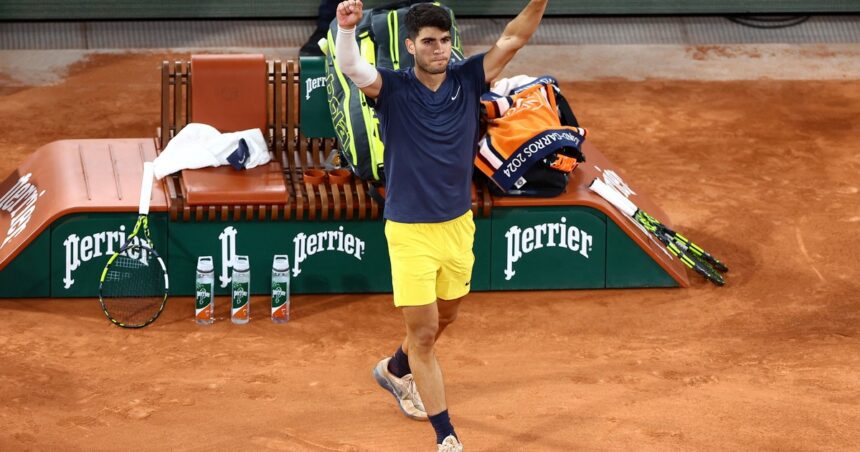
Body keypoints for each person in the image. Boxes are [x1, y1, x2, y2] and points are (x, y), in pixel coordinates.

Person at [334, 1, 548, 450]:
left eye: (445, 40)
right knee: (425, 335)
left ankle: (394, 369)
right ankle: (445, 436)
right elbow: (351, 65)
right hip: (409, 231)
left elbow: (515, 37)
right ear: (410, 45)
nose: (438, 49)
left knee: (446, 315)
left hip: (457, 227)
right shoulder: (390, 89)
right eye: (429, 42)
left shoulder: (469, 78)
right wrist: (346, 28)